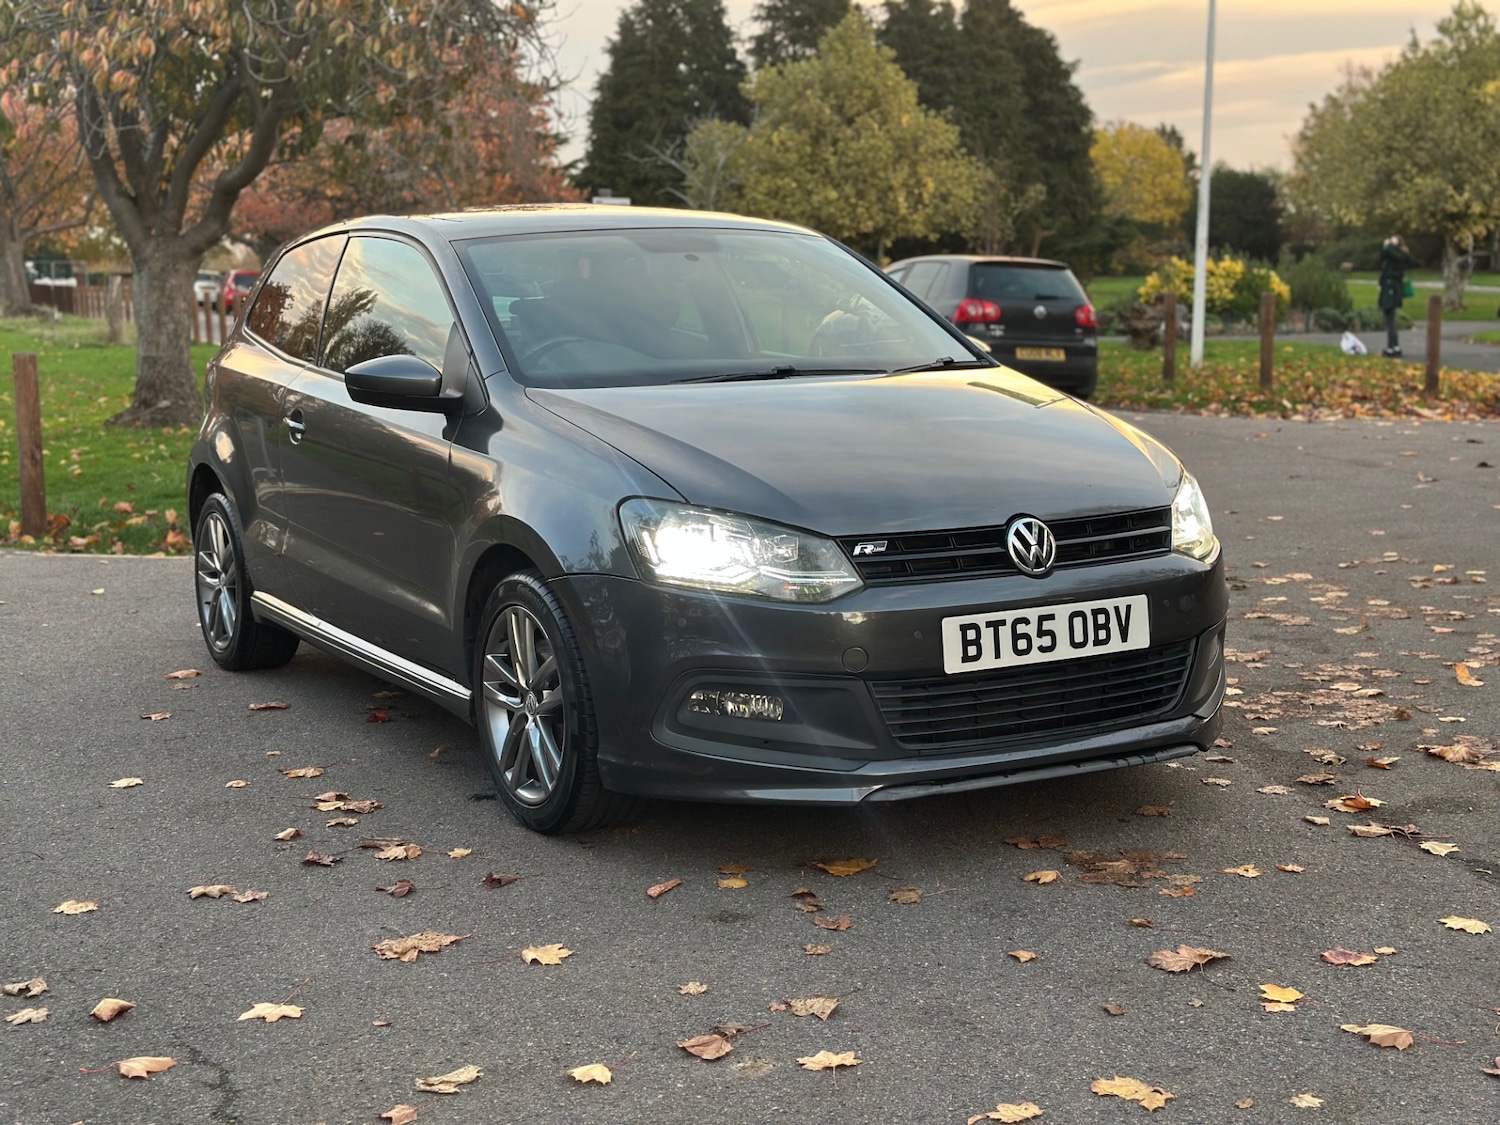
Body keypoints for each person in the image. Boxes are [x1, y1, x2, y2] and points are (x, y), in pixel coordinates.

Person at [1377, 234, 1416, 357]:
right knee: (1389, 318)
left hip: (1391, 288)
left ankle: (1392, 347)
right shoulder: (1393, 255)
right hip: (1389, 287)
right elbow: (1383, 254)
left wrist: (1391, 244)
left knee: (1389, 319)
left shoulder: (1398, 255)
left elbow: (1388, 251)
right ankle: (1394, 346)